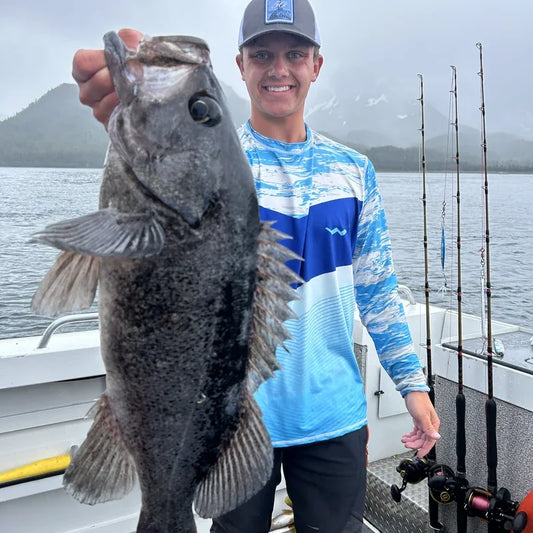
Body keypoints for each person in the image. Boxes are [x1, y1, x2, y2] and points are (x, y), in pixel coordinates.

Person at [72, 1, 440, 531]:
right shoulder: (221, 160)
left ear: (317, 64)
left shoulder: (355, 171)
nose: (279, 68)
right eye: (262, 53)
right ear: (240, 66)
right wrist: (134, 118)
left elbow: (377, 290)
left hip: (334, 415)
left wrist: (413, 385)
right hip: (231, 425)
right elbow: (149, 242)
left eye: (295, 53)